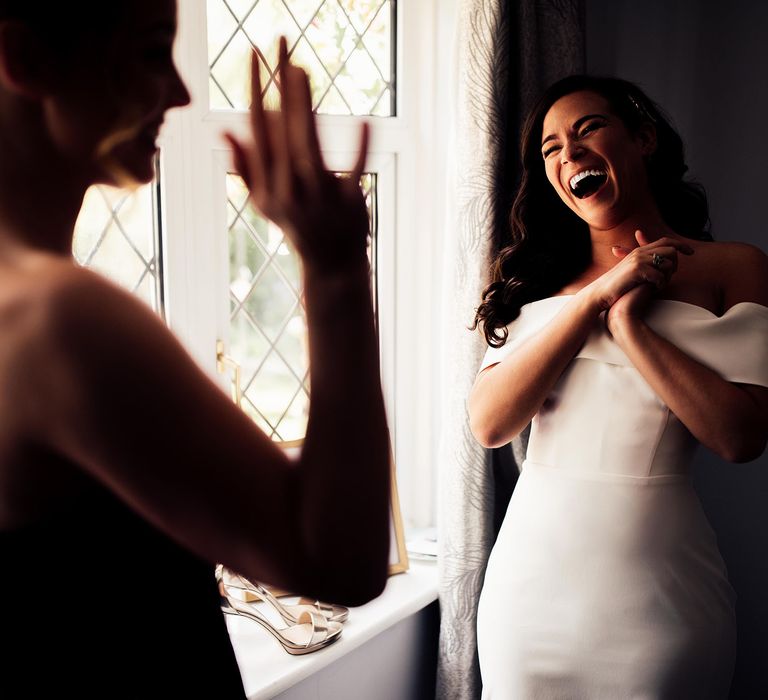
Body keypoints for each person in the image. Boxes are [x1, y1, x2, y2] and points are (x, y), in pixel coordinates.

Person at [0, 1, 390, 697]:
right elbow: (343, 562)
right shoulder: (59, 321)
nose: (181, 94)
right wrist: (335, 269)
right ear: (26, 61)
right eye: (153, 52)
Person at [469, 74, 768, 698]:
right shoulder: (535, 284)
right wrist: (596, 299)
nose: (569, 154)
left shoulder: (733, 268)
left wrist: (630, 326)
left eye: (587, 131)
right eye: (551, 148)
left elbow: (740, 438)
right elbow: (490, 425)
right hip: (527, 595)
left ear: (644, 139)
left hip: (658, 602)